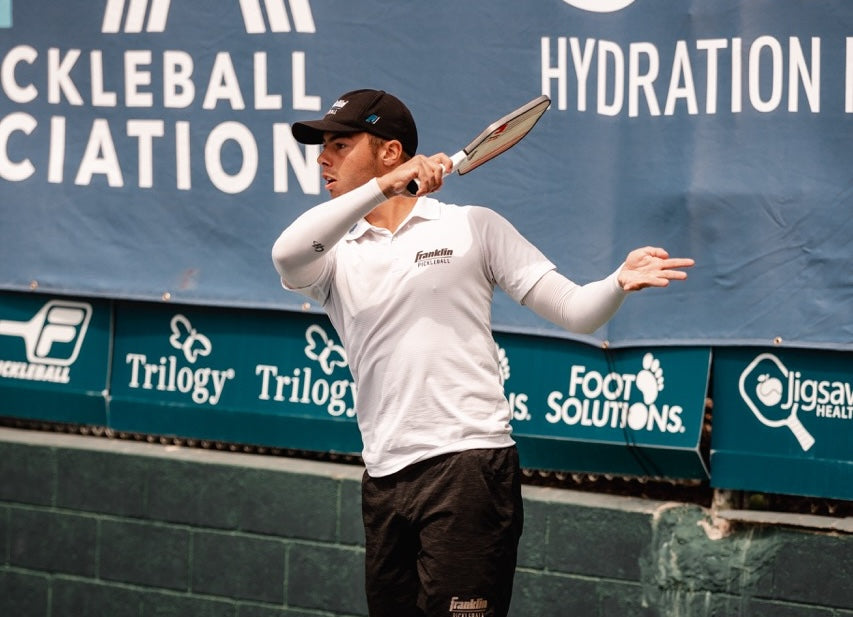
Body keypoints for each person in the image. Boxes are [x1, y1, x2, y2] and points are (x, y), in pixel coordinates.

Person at [272, 89, 693, 617]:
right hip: (383, 478)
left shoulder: (473, 226)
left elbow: (576, 309)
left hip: (469, 467)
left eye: (339, 144)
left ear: (390, 150)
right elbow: (286, 255)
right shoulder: (332, 256)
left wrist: (616, 282)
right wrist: (383, 188)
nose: (322, 159)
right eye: (322, 147)